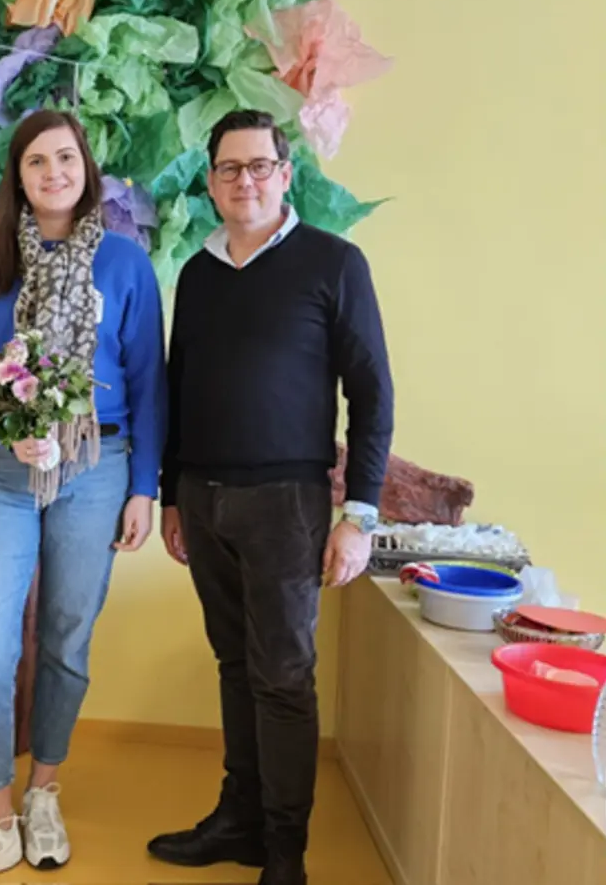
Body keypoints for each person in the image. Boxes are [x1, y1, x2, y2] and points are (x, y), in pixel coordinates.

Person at [147, 110, 394, 885]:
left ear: (286, 175)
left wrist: (359, 514)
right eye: (230, 168)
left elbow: (372, 393)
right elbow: (177, 386)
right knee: (234, 664)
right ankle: (241, 820)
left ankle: (286, 850)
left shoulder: (334, 263)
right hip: (202, 498)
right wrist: (171, 496)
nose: (244, 181)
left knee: (282, 677)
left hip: (287, 503)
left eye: (260, 166)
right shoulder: (198, 273)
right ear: (211, 181)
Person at [0, 109, 168, 885]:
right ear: (19, 178)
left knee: (65, 638)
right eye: (37, 161)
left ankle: (44, 793)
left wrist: (144, 488)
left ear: (85, 168)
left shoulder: (125, 263)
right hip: (3, 472)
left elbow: (149, 381)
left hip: (97, 467)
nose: (54, 172)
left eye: (66, 158)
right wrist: (6, 428)